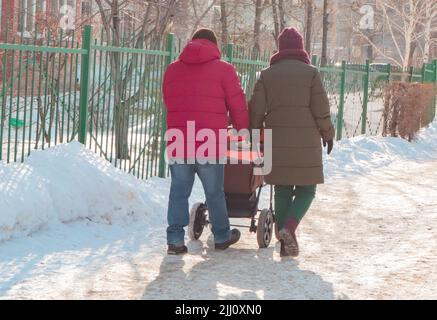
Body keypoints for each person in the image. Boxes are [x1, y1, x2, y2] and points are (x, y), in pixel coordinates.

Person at [249, 27, 335, 258]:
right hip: (307, 142)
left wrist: (253, 137)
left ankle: (284, 239)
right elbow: (321, 109)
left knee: (282, 187)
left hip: (276, 140)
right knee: (307, 189)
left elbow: (256, 111)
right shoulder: (311, 73)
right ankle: (289, 228)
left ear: (280, 48)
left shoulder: (267, 74)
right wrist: (327, 134)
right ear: (301, 47)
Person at [162, 29, 249, 255]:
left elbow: (168, 101)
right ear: (214, 45)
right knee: (214, 192)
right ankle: (221, 236)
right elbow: (237, 102)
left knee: (178, 191)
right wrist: (242, 129)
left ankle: (175, 240)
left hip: (179, 140)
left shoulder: (172, 69)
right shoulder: (224, 70)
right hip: (209, 142)